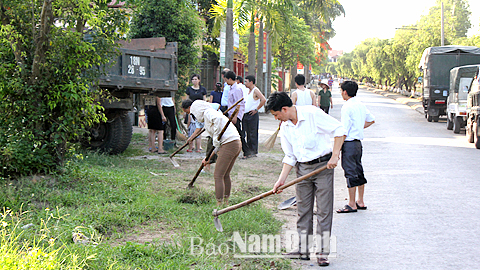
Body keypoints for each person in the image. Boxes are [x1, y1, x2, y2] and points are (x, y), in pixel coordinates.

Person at [267, 91, 346, 267]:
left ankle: (322, 252)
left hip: (323, 167)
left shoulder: (312, 114)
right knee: (303, 210)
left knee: (324, 211)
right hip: (302, 170)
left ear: (285, 109)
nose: (276, 118)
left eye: (276, 114)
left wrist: (335, 155)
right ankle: (303, 250)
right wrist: (281, 180)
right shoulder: (286, 127)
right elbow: (290, 156)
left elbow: (339, 129)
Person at [190, 100, 241, 205]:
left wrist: (216, 138)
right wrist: (208, 158)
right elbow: (217, 145)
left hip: (230, 143)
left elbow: (218, 123)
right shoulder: (209, 117)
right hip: (235, 142)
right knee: (225, 174)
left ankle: (219, 203)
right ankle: (226, 202)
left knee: (218, 175)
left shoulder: (208, 112)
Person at [336, 81, 375, 213]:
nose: (341, 93)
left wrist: (337, 150)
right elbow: (371, 119)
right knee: (358, 170)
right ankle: (361, 201)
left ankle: (351, 203)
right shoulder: (360, 104)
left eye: (341, 91)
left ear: (345, 92)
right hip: (358, 144)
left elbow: (344, 130)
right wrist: (359, 127)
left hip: (349, 143)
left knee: (350, 173)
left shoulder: (347, 107)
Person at [224, 70, 247, 159]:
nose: (225, 82)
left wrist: (235, 116)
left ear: (230, 79)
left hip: (236, 115)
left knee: (239, 134)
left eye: (226, 79)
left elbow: (239, 104)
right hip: (231, 114)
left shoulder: (237, 89)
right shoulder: (231, 88)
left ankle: (246, 151)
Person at [242, 75, 266, 158]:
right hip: (246, 114)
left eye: (246, 81)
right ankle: (248, 150)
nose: (245, 83)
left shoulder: (255, 90)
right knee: (247, 132)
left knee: (252, 133)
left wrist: (256, 109)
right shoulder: (247, 91)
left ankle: (253, 151)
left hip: (252, 114)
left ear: (251, 82)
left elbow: (263, 99)